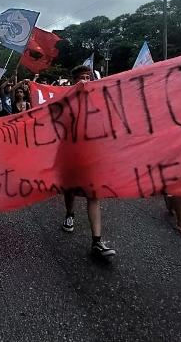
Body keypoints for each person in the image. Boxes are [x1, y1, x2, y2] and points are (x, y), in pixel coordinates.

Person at [62, 64, 116, 258]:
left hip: (91, 153)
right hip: (69, 153)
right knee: (69, 189)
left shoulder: (98, 100)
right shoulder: (65, 101)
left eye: (88, 77)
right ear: (73, 81)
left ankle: (97, 241)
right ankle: (70, 214)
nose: (85, 81)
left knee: (93, 194)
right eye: (81, 77)